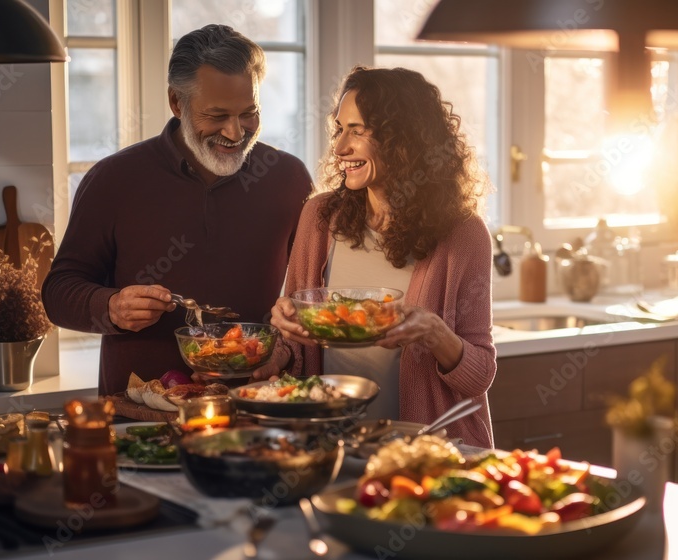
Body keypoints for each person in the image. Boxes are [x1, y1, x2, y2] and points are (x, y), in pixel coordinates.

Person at [42, 24, 312, 396]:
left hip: (256, 404)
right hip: (139, 410)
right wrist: (112, 305)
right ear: (176, 102)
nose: (236, 133)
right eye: (217, 116)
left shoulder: (288, 178)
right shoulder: (113, 179)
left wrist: (282, 353)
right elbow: (58, 292)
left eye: (249, 113)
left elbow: (314, 293)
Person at [264, 66, 496, 447]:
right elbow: (296, 348)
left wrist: (436, 334)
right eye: (339, 129)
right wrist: (280, 338)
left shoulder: (463, 234)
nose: (339, 148)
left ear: (403, 138)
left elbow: (480, 374)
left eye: (358, 130)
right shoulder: (319, 218)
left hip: (422, 452)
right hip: (330, 446)